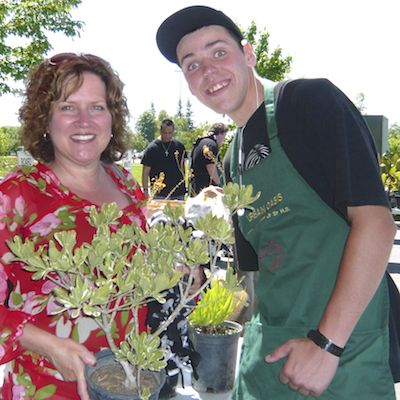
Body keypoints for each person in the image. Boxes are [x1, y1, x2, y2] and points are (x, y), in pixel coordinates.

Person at [156, 5, 397, 399]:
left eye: (218, 52)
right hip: (269, 352)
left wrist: (326, 345)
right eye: (192, 64)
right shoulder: (234, 157)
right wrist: (192, 285)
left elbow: (376, 225)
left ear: (248, 54)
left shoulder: (308, 102)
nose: (208, 71)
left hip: (339, 353)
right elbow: (259, 274)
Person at [0, 53, 149, 400]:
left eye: (97, 107)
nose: (84, 121)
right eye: (68, 107)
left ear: (112, 119)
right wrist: (48, 344)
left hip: (127, 382)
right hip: (47, 387)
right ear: (45, 120)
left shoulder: (126, 183)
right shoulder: (17, 194)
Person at [141, 119, 186, 200]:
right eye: (165, 133)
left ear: (173, 131)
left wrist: (184, 184)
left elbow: (182, 168)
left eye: (170, 133)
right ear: (160, 131)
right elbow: (145, 172)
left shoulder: (180, 146)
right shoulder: (151, 148)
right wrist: (145, 191)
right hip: (159, 194)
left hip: (178, 193)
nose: (167, 136)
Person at [190, 122, 228, 195]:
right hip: (206, 188)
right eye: (224, 136)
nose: (223, 140)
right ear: (220, 134)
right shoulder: (211, 145)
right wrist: (222, 186)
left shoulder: (200, 142)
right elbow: (211, 168)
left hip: (196, 186)